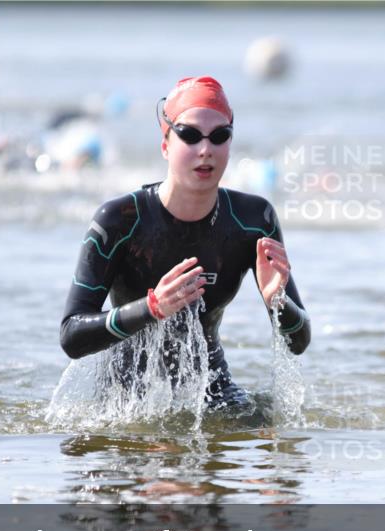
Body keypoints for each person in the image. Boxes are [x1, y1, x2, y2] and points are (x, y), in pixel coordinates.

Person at [59, 76, 310, 409]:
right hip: (127, 403)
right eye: (190, 135)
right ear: (165, 144)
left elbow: (298, 342)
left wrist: (277, 300)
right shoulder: (120, 219)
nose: (205, 149)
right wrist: (150, 308)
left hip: (214, 395)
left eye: (219, 136)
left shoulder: (253, 220)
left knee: (273, 442)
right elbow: (72, 336)